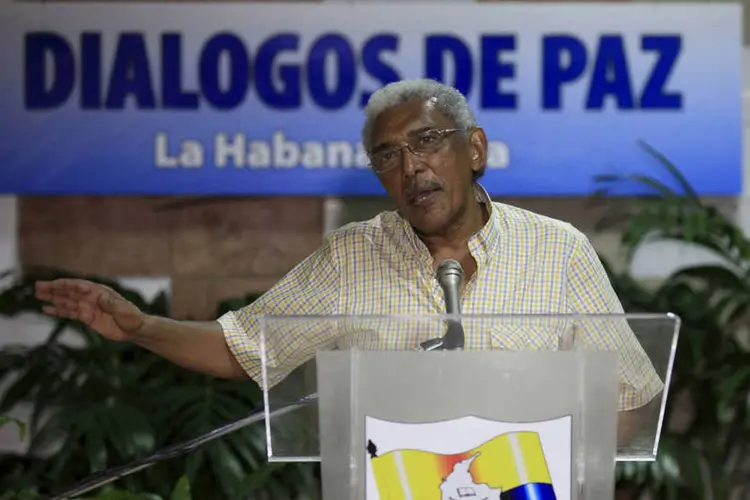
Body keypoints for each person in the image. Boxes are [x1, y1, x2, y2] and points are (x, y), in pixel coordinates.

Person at [35, 78, 661, 443]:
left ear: (474, 150)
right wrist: (140, 326)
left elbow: (629, 395)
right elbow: (242, 347)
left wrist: (568, 466)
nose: (411, 166)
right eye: (388, 156)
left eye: (426, 141)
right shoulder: (352, 257)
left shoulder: (558, 250)